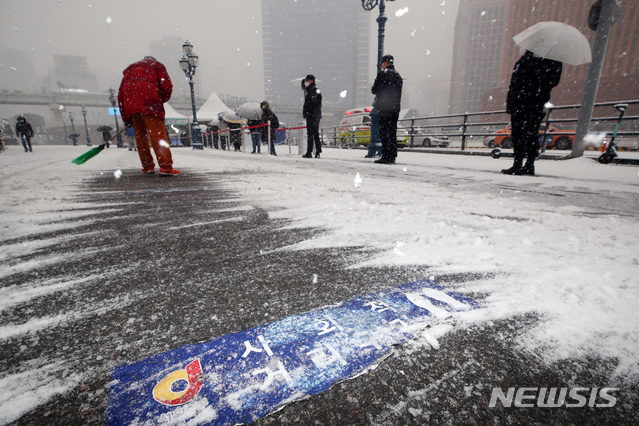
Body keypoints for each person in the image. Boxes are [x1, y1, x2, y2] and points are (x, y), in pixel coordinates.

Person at [502, 50, 562, 176]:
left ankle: (518, 164)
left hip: (523, 102)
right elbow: (553, 81)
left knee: (519, 133)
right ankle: (529, 163)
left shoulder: (527, 59)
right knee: (532, 133)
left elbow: (516, 81)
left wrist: (514, 101)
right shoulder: (554, 61)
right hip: (537, 102)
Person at [118, 56, 180, 176]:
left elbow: (120, 94)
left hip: (131, 107)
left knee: (141, 137)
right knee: (157, 135)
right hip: (150, 103)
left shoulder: (129, 70)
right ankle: (166, 166)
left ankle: (147, 166)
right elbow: (166, 86)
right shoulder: (157, 65)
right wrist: (160, 99)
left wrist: (126, 116)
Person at [371, 55, 403, 164]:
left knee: (384, 132)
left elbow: (374, 90)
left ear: (385, 63)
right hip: (395, 108)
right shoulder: (398, 76)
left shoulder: (382, 75)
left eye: (381, 64)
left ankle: (385, 156)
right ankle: (392, 156)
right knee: (392, 132)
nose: (381, 66)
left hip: (385, 108)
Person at [301, 75, 322, 158]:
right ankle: (317, 151)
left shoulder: (312, 90)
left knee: (311, 134)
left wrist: (307, 111)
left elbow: (312, 103)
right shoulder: (315, 90)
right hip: (315, 115)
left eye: (308, 80)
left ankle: (310, 152)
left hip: (312, 115)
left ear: (311, 81)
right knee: (315, 133)